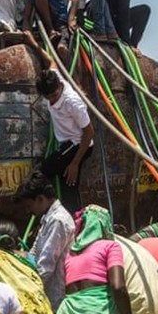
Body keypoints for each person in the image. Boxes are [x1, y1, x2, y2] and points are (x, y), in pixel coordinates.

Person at [23, 32, 94, 212]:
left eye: (54, 96)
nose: (52, 100)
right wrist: (32, 41)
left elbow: (88, 133)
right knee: (67, 186)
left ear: (59, 87)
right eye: (48, 97)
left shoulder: (73, 102)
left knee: (39, 175)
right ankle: (69, 215)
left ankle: (47, 209)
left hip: (77, 144)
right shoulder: (54, 78)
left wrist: (75, 163)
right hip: (67, 143)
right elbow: (51, 61)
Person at [15, 170, 75, 310]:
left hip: (56, 296)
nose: (28, 211)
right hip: (46, 292)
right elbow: (34, 252)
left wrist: (28, 290)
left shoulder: (57, 220)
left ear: (41, 199)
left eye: (29, 206)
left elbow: (45, 266)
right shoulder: (47, 217)